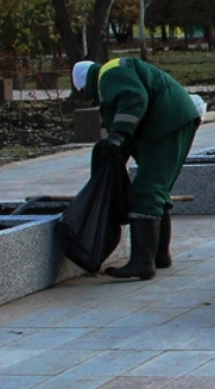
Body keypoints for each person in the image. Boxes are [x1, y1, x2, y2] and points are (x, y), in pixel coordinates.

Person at [72, 57, 202, 280]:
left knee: (146, 190)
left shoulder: (110, 73)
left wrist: (117, 134)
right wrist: (110, 166)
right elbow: (123, 136)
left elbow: (134, 98)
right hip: (168, 122)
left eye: (83, 91)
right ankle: (159, 256)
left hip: (168, 123)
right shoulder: (111, 82)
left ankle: (142, 262)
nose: (86, 96)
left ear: (85, 83)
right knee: (155, 189)